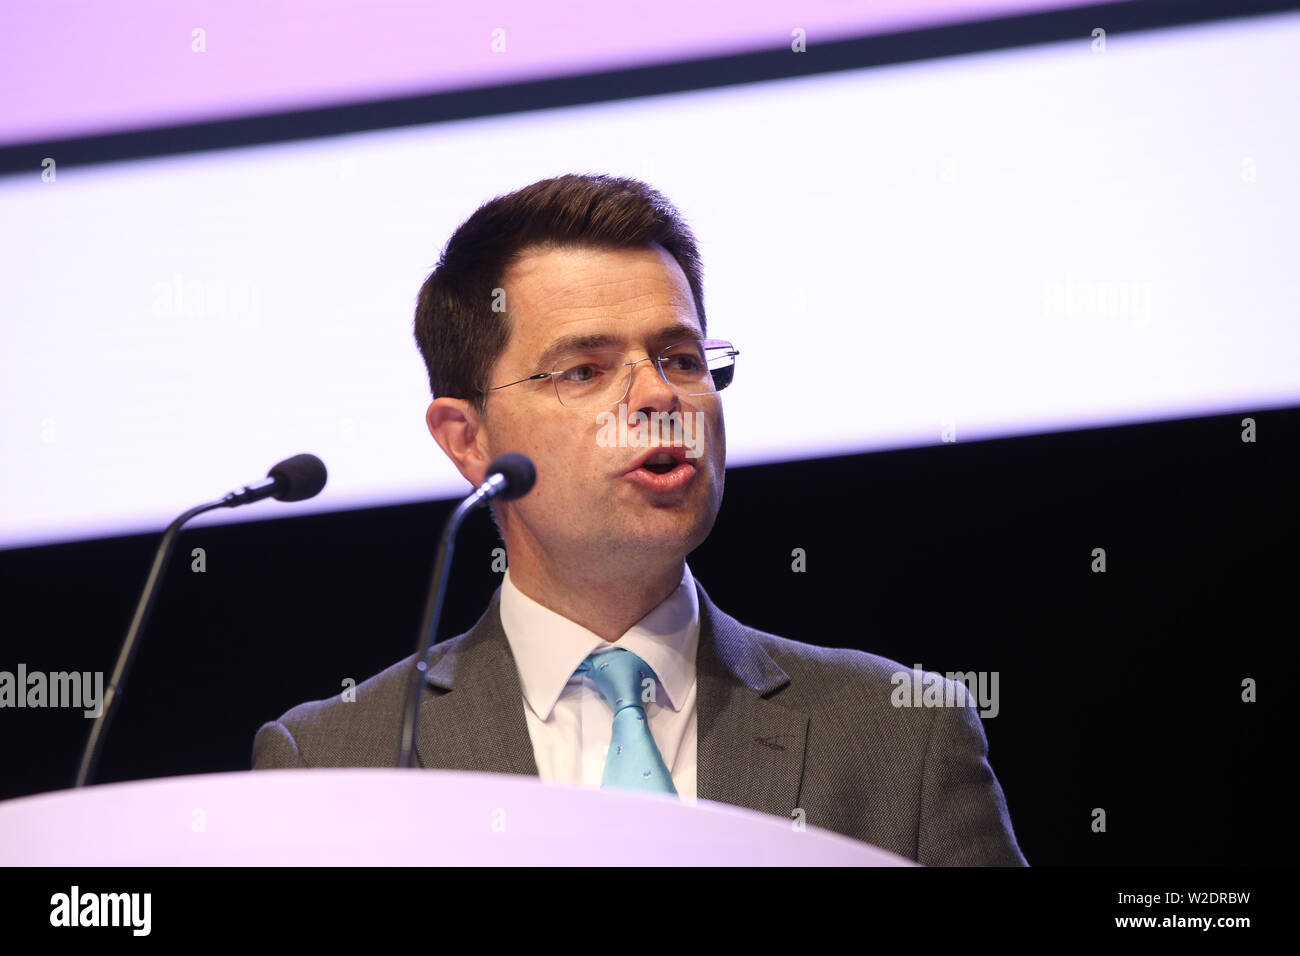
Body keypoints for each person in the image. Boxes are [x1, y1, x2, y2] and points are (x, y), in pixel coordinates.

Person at [252, 172, 1027, 865]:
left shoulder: (899, 734)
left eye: (682, 359)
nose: (659, 397)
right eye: (586, 370)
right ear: (468, 438)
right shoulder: (333, 761)